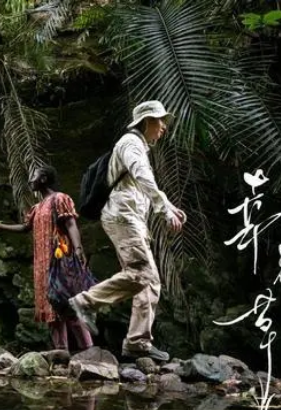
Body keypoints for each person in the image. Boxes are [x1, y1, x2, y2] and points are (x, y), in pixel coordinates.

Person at [67, 100, 187, 362]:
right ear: (146, 122)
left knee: (147, 280)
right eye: (159, 120)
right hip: (123, 219)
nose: (164, 126)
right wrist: (163, 209)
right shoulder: (130, 144)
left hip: (131, 220)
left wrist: (168, 205)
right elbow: (141, 175)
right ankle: (86, 302)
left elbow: (140, 184)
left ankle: (137, 343)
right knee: (143, 274)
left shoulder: (138, 146)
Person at [0, 166, 94, 352]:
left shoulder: (59, 199)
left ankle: (89, 351)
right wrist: (0, 226)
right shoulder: (37, 208)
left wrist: (78, 248)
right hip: (42, 267)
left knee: (68, 305)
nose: (30, 181)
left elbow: (70, 223)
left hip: (60, 262)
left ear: (43, 179)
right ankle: (61, 353)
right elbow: (24, 227)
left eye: (33, 177)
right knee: (51, 311)